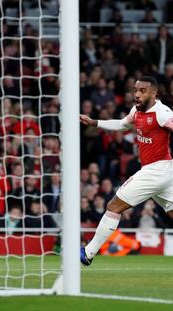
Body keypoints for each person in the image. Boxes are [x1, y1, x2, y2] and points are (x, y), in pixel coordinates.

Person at [79, 76, 173, 266]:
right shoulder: (137, 111)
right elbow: (122, 125)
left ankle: (88, 253)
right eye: (135, 90)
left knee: (114, 206)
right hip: (163, 173)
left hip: (156, 170)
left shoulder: (162, 113)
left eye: (142, 91)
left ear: (154, 93)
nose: (137, 94)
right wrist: (94, 122)